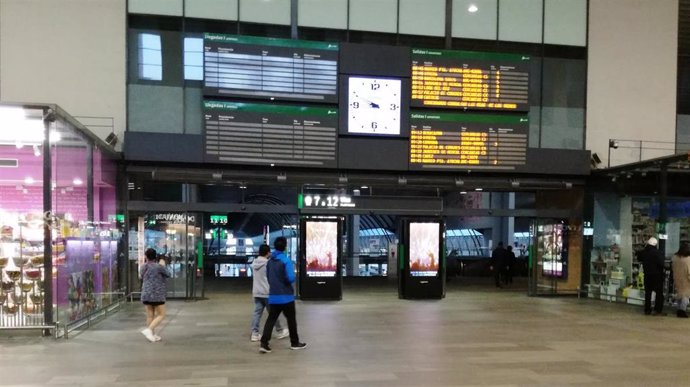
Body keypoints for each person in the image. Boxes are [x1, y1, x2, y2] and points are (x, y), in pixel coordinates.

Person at [260, 237, 307, 353]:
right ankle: (294, 343)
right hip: (286, 297)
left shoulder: (270, 261)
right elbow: (291, 278)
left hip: (273, 296)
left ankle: (264, 343)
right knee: (291, 320)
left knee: (271, 320)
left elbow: (268, 277)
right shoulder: (286, 260)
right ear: (285, 247)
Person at [250, 244, 290, 341]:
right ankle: (280, 330)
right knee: (273, 313)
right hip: (267, 293)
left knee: (257, 313)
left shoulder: (254, 263)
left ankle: (254, 334)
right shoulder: (269, 264)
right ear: (268, 253)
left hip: (257, 292)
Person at [139, 248, 170, 342]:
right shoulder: (159, 267)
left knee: (150, 315)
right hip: (157, 294)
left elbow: (141, 275)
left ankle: (151, 335)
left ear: (146, 256)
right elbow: (168, 274)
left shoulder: (143, 266)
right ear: (155, 256)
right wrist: (163, 265)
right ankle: (149, 331)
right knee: (162, 314)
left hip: (146, 293)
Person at [637, 237, 666, 316]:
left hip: (647, 275)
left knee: (648, 293)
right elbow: (661, 263)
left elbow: (639, 258)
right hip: (657, 276)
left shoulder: (643, 252)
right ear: (655, 244)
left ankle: (647, 310)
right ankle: (657, 310)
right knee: (659, 294)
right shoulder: (657, 252)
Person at [672, 241, 690, 318]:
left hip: (677, 278)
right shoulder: (688, 259)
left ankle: (679, 309)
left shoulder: (675, 257)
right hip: (686, 279)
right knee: (686, 295)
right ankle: (682, 310)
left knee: (679, 294)